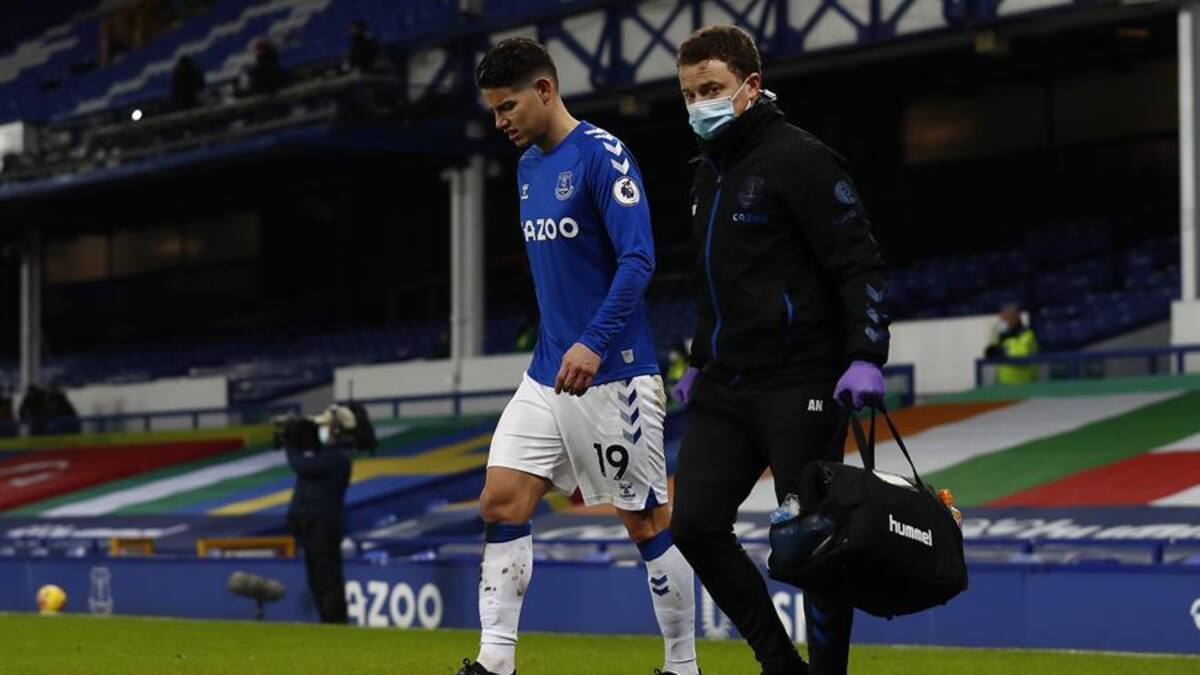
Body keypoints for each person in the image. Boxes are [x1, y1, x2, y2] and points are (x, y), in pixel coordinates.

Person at [457, 38, 699, 675]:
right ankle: (495, 662)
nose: (500, 121)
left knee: (646, 523)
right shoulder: (527, 167)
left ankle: (683, 666)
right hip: (548, 373)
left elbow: (638, 259)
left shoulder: (602, 155)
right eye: (493, 110)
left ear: (545, 90)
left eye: (508, 106)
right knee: (500, 501)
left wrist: (593, 340)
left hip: (613, 373)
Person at [668, 26, 891, 675]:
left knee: (816, 540)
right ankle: (779, 664)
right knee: (694, 526)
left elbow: (859, 262)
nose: (699, 104)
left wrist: (866, 352)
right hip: (725, 386)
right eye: (689, 94)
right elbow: (719, 281)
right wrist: (698, 359)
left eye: (711, 88)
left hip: (801, 381)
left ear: (751, 86)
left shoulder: (801, 159)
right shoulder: (705, 174)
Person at [283, 406, 353, 624]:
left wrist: (290, 444)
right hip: (313, 524)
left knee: (327, 576)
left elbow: (302, 466)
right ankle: (326, 619)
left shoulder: (339, 458)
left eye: (325, 427)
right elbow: (302, 485)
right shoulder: (323, 457)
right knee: (315, 576)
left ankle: (335, 622)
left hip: (326, 524)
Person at [985, 303, 1038, 384]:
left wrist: (1004, 350)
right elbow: (990, 352)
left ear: (1016, 318)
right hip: (1004, 383)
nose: (1004, 321)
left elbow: (1022, 356)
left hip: (1026, 383)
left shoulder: (1027, 333)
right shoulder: (999, 334)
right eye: (1003, 318)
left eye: (1008, 317)